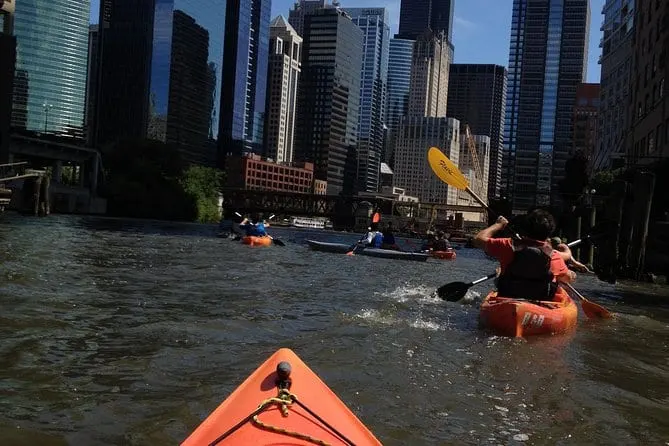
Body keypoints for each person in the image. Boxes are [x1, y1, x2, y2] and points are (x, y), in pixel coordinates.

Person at [472, 209, 577, 301]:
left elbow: (477, 240)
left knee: (500, 274)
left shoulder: (508, 245)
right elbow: (567, 278)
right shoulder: (554, 256)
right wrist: (571, 274)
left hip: (509, 296)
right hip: (540, 300)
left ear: (525, 228)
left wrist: (498, 225)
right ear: (549, 232)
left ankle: (499, 274)